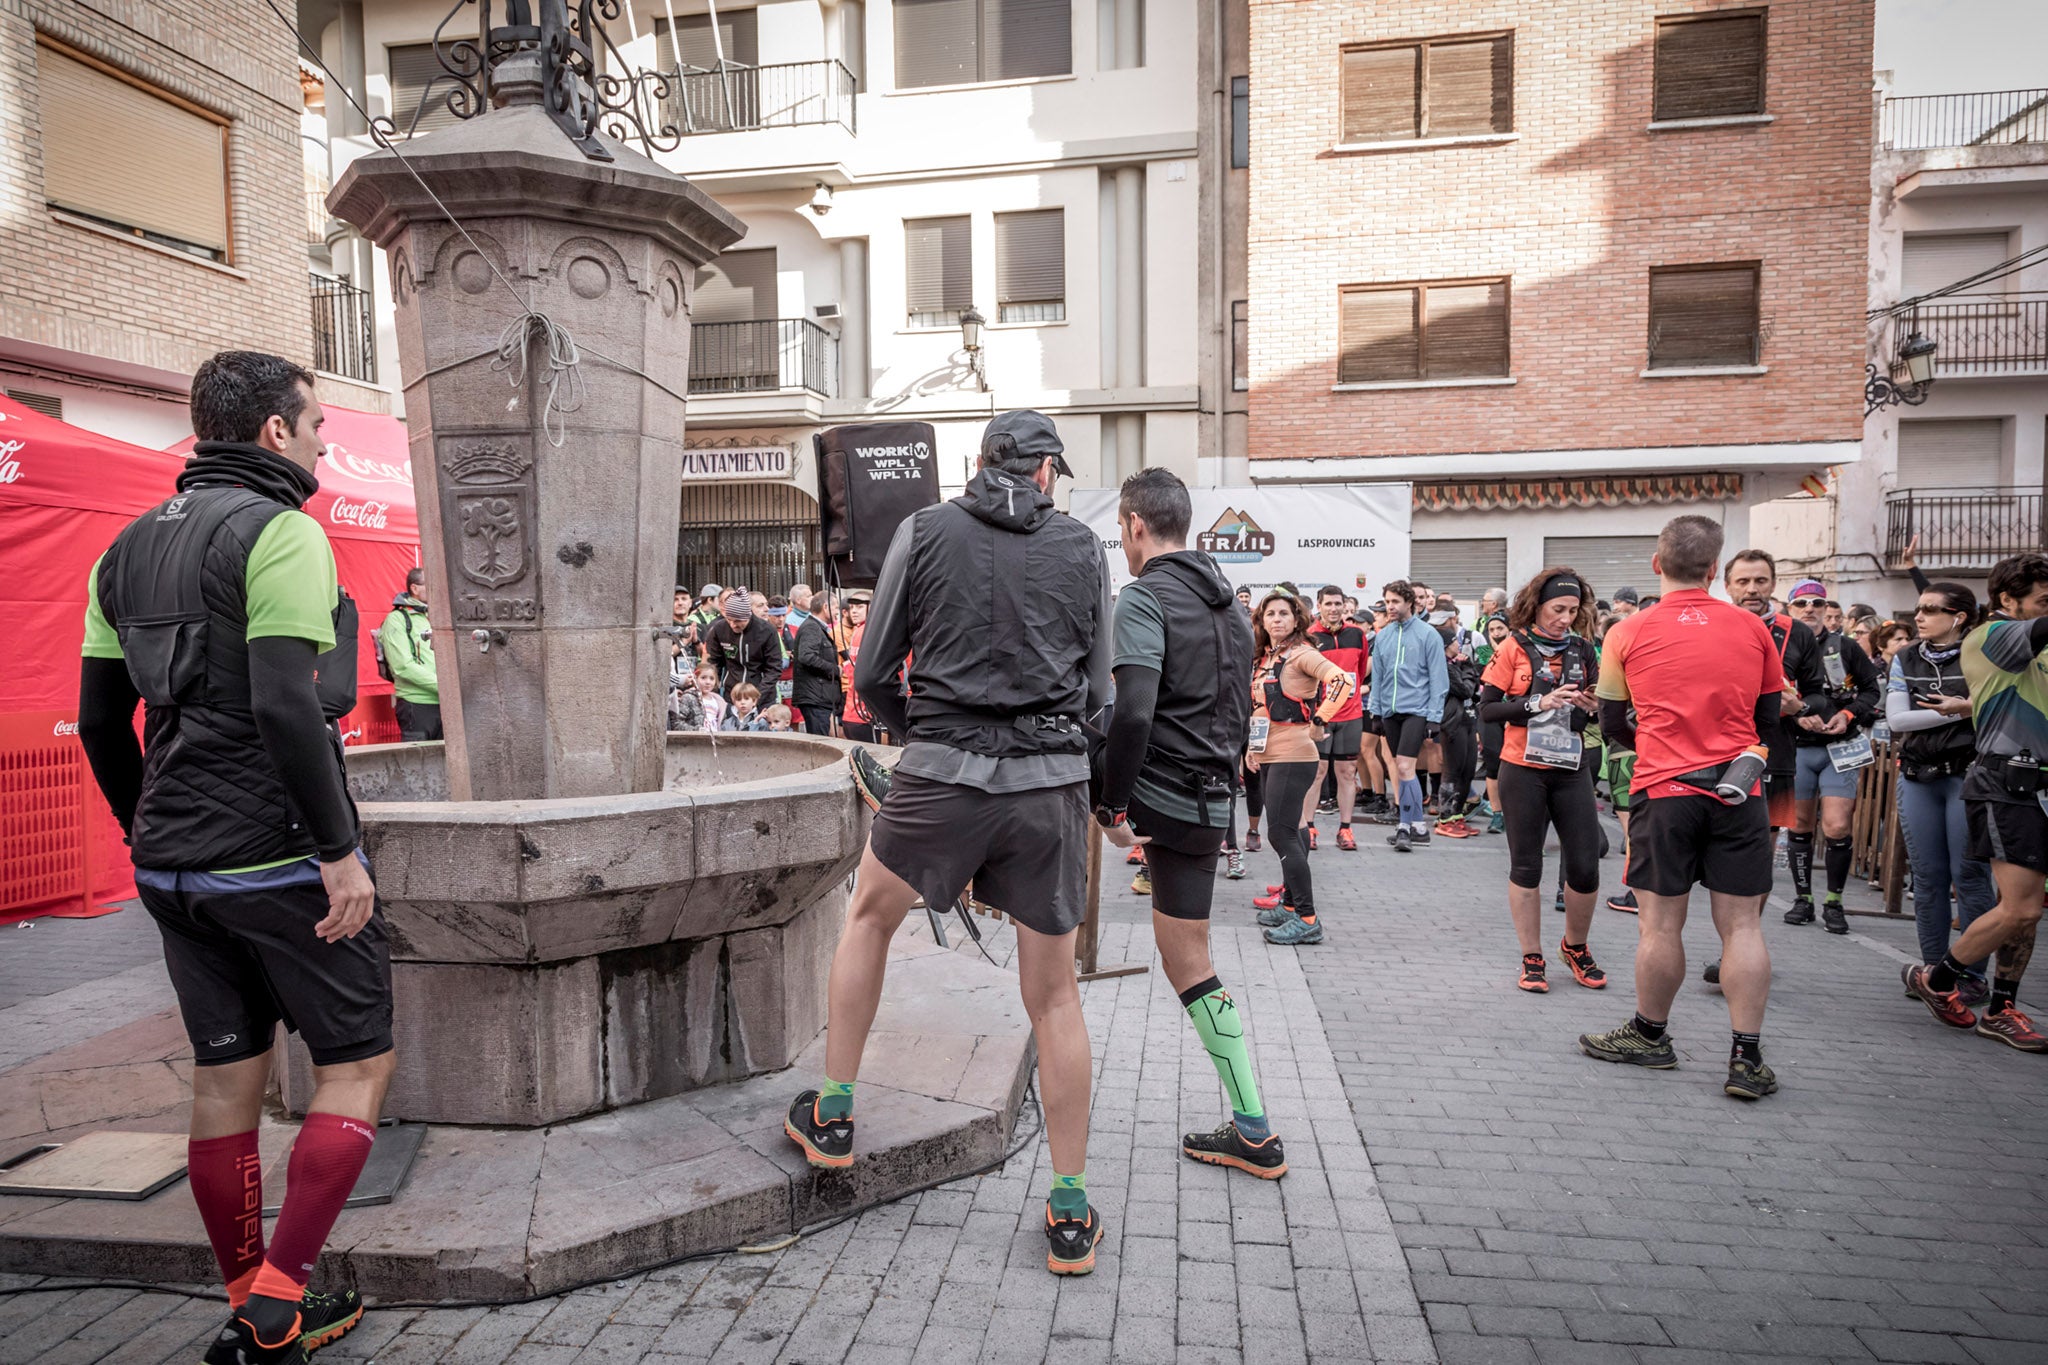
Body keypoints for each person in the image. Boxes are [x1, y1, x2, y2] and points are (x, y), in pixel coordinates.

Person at [75, 351, 388, 1363]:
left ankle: (249, 1295)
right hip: (274, 856)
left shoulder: (121, 550)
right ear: (273, 435)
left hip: (173, 865)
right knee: (355, 1064)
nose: (324, 443)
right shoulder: (282, 531)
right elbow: (285, 703)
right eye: (317, 428)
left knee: (224, 1084)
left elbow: (96, 721)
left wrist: (145, 833)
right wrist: (338, 852)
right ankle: (277, 1302)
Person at [782, 410, 1118, 1274]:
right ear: (1047, 473)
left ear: (979, 462)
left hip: (939, 774)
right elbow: (1101, 693)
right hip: (1048, 786)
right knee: (1054, 997)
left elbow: (868, 674)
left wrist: (921, 736)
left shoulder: (923, 529)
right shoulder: (1084, 547)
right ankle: (1070, 1210)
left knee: (868, 918)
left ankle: (836, 1110)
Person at [1098, 467, 1284, 1177]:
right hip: (1211, 804)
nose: (1122, 541)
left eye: (1121, 530)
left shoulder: (1146, 596)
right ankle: (1253, 1128)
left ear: (1136, 525)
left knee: (1061, 736)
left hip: (1161, 796)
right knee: (1189, 959)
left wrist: (1114, 808)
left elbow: (1136, 710)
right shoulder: (1230, 606)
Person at [1582, 515, 1782, 1100]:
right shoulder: (1753, 628)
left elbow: (1612, 719)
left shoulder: (1626, 631)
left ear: (1656, 563)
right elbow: (1768, 720)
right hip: (1738, 788)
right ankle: (1746, 1058)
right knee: (1742, 925)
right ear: (1716, 569)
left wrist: (1658, 746)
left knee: (1660, 923)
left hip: (1664, 789)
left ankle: (1650, 1036)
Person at [1902, 552, 2048, 1051]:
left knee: (2028, 908)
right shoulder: (1992, 635)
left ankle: (2003, 1007)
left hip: (2038, 785)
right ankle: (1939, 979)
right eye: (2043, 601)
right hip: (2007, 784)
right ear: (2007, 599)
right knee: (2020, 906)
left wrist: (1969, 704)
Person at [1697, 550, 1827, 984]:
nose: (1752, 590)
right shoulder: (1709, 623)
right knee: (1713, 855)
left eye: (1761, 581)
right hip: (1712, 755)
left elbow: (1820, 694)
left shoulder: (1797, 633)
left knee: (1758, 856)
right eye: (1744, 582)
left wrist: (1801, 706)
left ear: (1773, 585)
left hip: (1773, 757)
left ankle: (1737, 949)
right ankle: (1731, 944)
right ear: (1727, 585)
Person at [1476, 569, 1609, 993]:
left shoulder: (1584, 650)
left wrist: (1589, 707)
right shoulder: (1514, 646)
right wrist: (1537, 701)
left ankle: (1575, 945)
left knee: (1585, 868)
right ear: (1537, 606)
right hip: (1523, 768)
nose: (1565, 618)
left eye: (1572, 611)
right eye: (1558, 609)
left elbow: (1593, 713)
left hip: (1571, 768)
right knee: (1527, 866)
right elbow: (1489, 710)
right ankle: (1531, 956)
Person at [1888, 579, 1994, 1004]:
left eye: (1931, 609)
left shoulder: (1983, 653)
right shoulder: (1906, 657)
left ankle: (1970, 974)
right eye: (1919, 608)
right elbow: (1897, 722)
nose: (1919, 616)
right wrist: (1960, 709)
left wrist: (1960, 707)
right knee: (1928, 876)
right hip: (1917, 774)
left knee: (1969, 875)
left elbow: (1994, 702)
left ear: (1959, 617)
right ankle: (1934, 970)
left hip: (1966, 773)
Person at [1246, 590, 1353, 945]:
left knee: (1280, 833)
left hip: (1295, 753)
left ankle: (1307, 917)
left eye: (1283, 614)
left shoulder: (1303, 654)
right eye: (1270, 614)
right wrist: (1254, 747)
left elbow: (1342, 681)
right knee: (1291, 828)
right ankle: (1291, 907)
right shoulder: (1266, 657)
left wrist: (1322, 718)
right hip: (1272, 752)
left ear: (1296, 620)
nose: (1276, 619)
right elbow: (1262, 706)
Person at [1782, 578, 1882, 933]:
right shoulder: (1781, 644)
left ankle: (1835, 901)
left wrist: (1849, 714)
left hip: (1840, 747)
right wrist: (1795, 713)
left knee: (1837, 825)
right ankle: (1803, 898)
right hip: (1798, 748)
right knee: (1800, 825)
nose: (1810, 608)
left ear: (1828, 611)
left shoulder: (1845, 646)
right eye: (1801, 603)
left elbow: (1872, 691)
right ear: (1789, 608)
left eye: (1817, 603)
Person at [1366, 580, 1448, 851]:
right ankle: (1419, 827)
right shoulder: (1384, 635)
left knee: (1403, 768)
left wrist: (1435, 716)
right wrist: (1375, 711)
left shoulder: (1428, 635)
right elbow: (1377, 676)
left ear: (1409, 603)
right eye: (1387, 601)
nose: (1390, 606)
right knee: (1402, 770)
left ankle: (1405, 825)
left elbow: (1439, 678)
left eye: (1395, 602)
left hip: (1417, 710)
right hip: (1389, 712)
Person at [1305, 585, 1368, 850]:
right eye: (1328, 604)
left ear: (1345, 606)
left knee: (1346, 772)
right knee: (1316, 773)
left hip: (1351, 714)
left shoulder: (1356, 635)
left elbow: (1360, 671)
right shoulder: (1310, 636)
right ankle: (1308, 827)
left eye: (1337, 604)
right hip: (1320, 715)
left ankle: (1345, 829)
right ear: (1319, 606)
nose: (1333, 609)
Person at [1433, 615, 1482, 837]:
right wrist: (1469, 669)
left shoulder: (1457, 665)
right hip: (1453, 723)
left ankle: (1456, 815)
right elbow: (1465, 690)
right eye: (1454, 641)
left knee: (1467, 770)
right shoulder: (1444, 666)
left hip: (1469, 720)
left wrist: (1467, 669)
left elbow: (1474, 687)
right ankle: (1445, 818)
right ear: (1446, 645)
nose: (1458, 644)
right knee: (1452, 771)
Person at [377, 567, 440, 741]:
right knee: (420, 765)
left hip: (446, 703)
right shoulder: (397, 619)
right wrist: (444, 686)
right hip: (417, 705)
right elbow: (402, 666)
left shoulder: (437, 616)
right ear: (414, 588)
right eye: (430, 585)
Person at [703, 586, 784, 698]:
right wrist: (713, 693)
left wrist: (756, 696)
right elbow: (713, 663)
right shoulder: (719, 629)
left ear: (748, 616)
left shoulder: (767, 631)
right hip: (731, 694)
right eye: (729, 620)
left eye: (737, 621)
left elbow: (773, 668)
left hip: (761, 694)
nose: (732, 625)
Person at [792, 590, 843, 736]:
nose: (837, 612)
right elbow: (807, 656)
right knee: (819, 743)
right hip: (815, 698)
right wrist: (835, 669)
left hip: (820, 697)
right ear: (825, 607)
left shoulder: (816, 627)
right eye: (835, 607)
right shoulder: (811, 627)